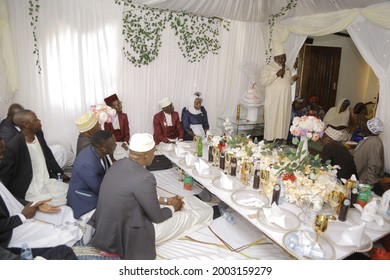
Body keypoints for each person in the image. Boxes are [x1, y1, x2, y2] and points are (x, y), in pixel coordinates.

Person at [88, 133, 213, 259]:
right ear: (147, 155)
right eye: (154, 151)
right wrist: (173, 207)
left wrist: (166, 201)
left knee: (180, 203)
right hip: (127, 236)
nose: (154, 154)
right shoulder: (145, 178)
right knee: (192, 215)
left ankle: (197, 199)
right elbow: (157, 217)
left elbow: (133, 196)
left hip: (106, 231)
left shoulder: (118, 164)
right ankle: (214, 211)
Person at [0, 137, 82, 258]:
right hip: (10, 231)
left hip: (20, 213)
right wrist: (22, 216)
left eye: (2, 152)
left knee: (64, 211)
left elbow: (9, 198)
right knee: (61, 235)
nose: (2, 157)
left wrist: (34, 205)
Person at [0, 110, 69, 205]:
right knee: (57, 205)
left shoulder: (39, 134)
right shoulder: (14, 146)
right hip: (29, 190)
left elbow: (48, 155)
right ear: (26, 125)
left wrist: (59, 172)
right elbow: (5, 176)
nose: (39, 121)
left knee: (71, 193)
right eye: (36, 119)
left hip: (47, 182)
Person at [0, 103, 73, 168]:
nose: (21, 118)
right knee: (59, 151)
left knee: (59, 149)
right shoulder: (5, 130)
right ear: (9, 115)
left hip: (36, 153)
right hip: (27, 162)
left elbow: (45, 148)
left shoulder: (29, 126)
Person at [67, 130, 116, 221]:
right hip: (83, 199)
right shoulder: (87, 165)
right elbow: (100, 190)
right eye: (114, 144)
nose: (116, 145)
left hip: (93, 190)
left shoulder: (97, 151)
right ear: (104, 148)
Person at [260, 44, 299, 142]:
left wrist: (292, 80)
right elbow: (263, 81)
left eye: (284, 58)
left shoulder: (287, 69)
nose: (282, 60)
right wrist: (276, 75)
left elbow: (286, 83)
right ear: (275, 58)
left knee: (283, 120)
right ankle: (269, 141)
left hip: (284, 101)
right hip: (274, 101)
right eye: (280, 58)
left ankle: (281, 140)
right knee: (273, 120)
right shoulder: (268, 68)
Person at [353, 118, 385, 193]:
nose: (362, 127)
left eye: (365, 126)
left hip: (365, 182)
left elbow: (374, 164)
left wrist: (368, 187)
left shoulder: (374, 142)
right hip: (358, 176)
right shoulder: (369, 139)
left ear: (369, 130)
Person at [104, 93, 130, 160]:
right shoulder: (106, 118)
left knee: (130, 154)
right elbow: (107, 135)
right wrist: (114, 145)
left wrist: (125, 143)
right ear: (112, 108)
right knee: (120, 155)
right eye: (118, 105)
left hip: (123, 142)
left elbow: (127, 132)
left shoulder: (124, 116)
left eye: (120, 103)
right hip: (113, 143)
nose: (121, 106)